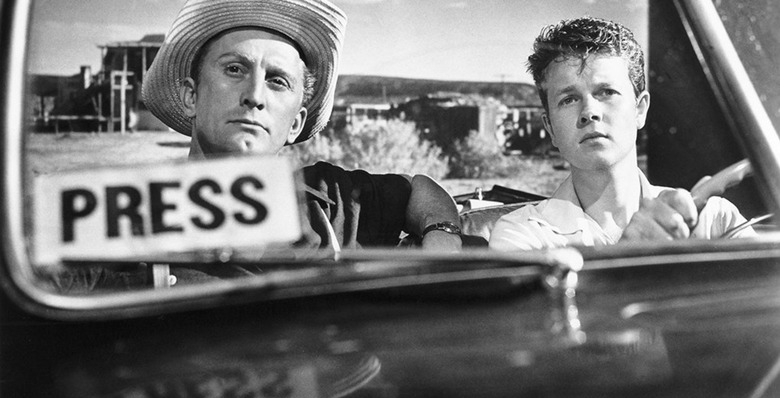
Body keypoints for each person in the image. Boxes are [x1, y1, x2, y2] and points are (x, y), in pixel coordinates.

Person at [141, 0, 462, 254]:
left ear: (295, 123)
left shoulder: (328, 199)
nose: (254, 96)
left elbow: (418, 190)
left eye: (277, 81)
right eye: (235, 69)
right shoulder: (131, 217)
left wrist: (443, 234)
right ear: (191, 96)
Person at [489, 17, 754, 251]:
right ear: (550, 128)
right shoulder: (522, 234)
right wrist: (631, 254)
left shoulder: (715, 220)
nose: (589, 112)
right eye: (569, 99)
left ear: (640, 110)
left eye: (607, 92)